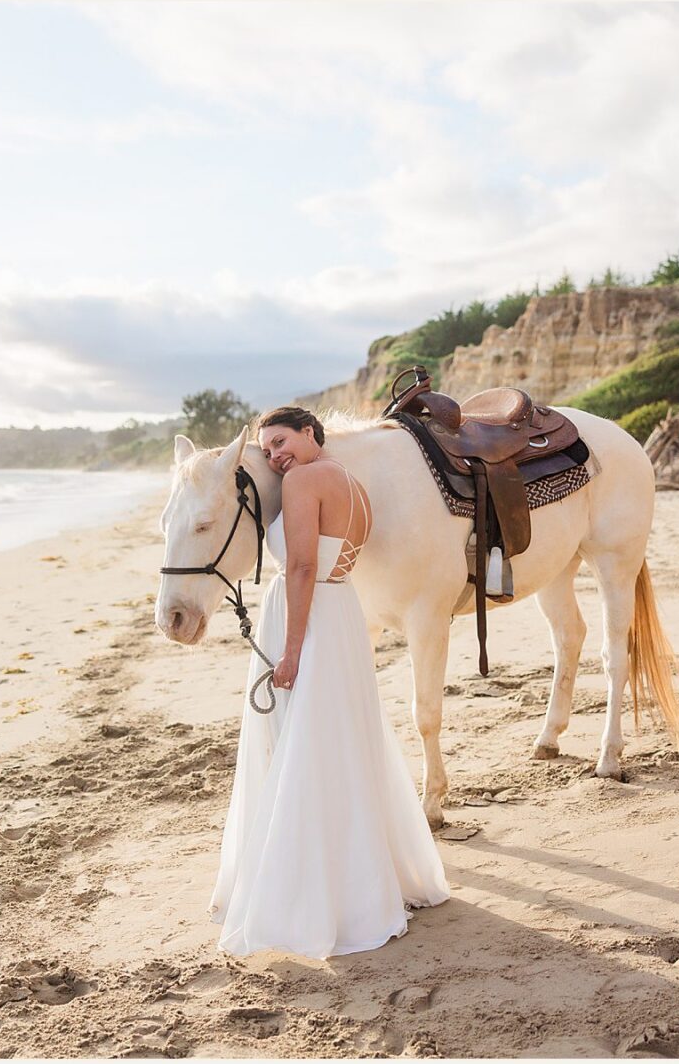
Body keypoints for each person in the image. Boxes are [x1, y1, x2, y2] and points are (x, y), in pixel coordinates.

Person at [209, 405, 450, 959]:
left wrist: (291, 650)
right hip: (340, 611)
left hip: (310, 617)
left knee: (303, 748)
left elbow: (300, 568)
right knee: (339, 745)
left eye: (282, 441)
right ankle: (357, 881)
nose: (276, 456)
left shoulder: (304, 481)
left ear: (311, 432)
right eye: (268, 448)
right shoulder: (352, 484)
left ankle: (309, 893)